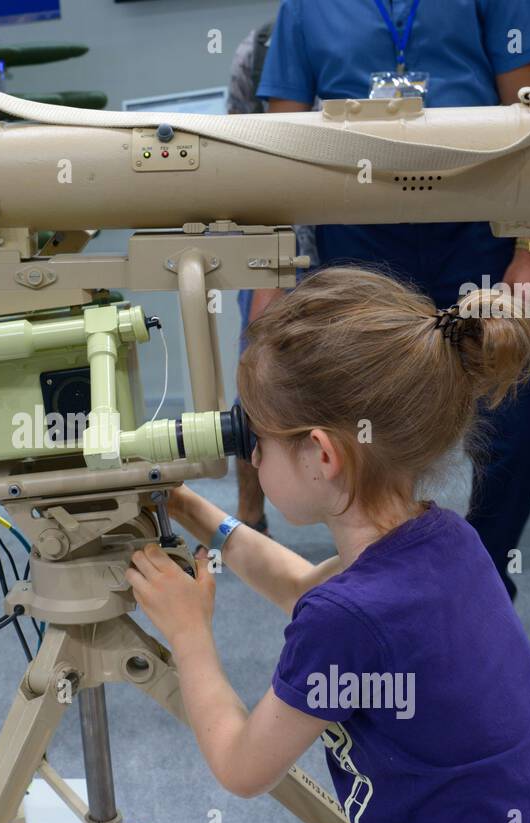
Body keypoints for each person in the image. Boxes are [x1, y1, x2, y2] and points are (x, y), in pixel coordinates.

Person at [126, 268, 530, 823]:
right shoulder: (445, 539)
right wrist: (195, 511)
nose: (249, 456)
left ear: (322, 454)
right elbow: (302, 587)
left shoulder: (350, 619)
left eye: (258, 440)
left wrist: (190, 634)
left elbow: (241, 766)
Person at [253, 0, 530, 601]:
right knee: (360, 442)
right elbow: (278, 147)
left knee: (513, 437)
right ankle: (389, 590)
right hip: (359, 238)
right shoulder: (304, 11)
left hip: (473, 233)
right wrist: (272, 277)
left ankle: (480, 586)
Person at [227, 20, 318, 537]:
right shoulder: (258, 50)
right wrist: (269, 272)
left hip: (357, 248)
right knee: (256, 389)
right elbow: (247, 165)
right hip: (278, 252)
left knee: (362, 390)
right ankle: (250, 517)